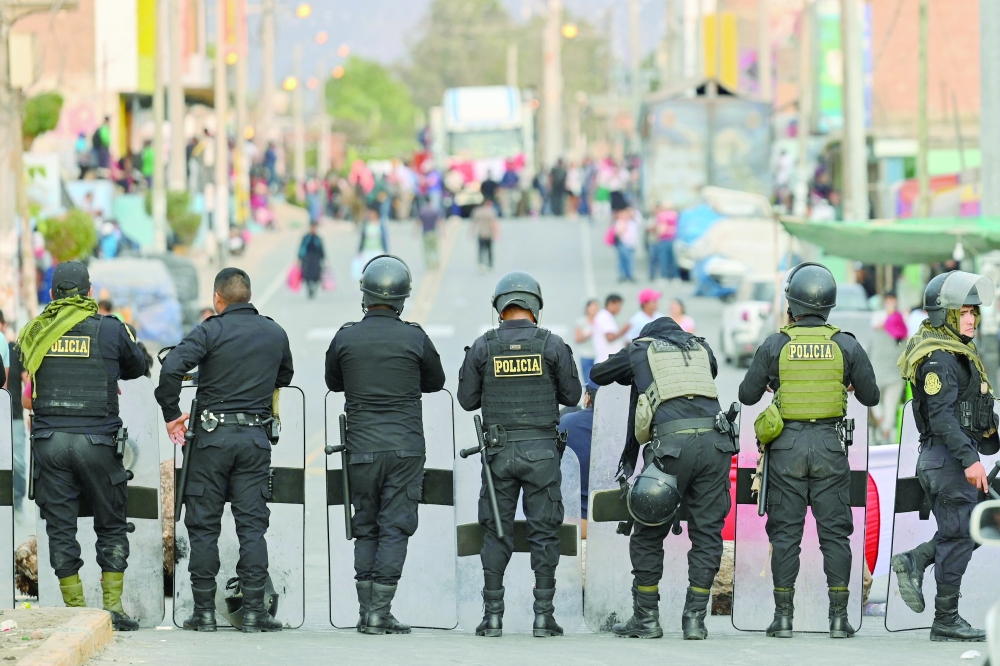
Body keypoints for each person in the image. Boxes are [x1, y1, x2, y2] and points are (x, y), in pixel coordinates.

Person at [738, 262, 879, 639]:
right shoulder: (845, 343)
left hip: (785, 448)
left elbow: (746, 394)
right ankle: (838, 619)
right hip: (831, 448)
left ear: (791, 303)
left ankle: (783, 619)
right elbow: (871, 396)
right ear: (829, 305)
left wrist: (775, 382)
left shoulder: (776, 344)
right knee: (835, 535)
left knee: (785, 535)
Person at [155, 268, 293, 634]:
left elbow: (170, 368)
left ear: (218, 299)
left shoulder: (209, 330)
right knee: (251, 528)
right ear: (248, 295)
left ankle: (203, 614)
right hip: (254, 440)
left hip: (211, 441)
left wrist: (172, 416)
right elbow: (285, 376)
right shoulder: (274, 332)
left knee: (202, 527)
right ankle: (253, 613)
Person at [17, 261, 147, 630]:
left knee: (60, 528)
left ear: (52, 294)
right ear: (89, 293)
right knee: (111, 523)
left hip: (49, 443)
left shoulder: (35, 331)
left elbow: (24, 367)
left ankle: (75, 610)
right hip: (98, 441)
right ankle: (112, 609)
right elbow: (136, 367)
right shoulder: (109, 329)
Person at [591, 315, 733, 640]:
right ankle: (695, 620)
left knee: (647, 530)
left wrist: (636, 365)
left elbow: (597, 373)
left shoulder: (640, 349)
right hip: (716, 445)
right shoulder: (701, 348)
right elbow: (708, 374)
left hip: (671, 447)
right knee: (708, 532)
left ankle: (647, 619)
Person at [457, 272, 582, 638]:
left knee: (496, 533)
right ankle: (544, 617)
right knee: (545, 534)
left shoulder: (483, 346)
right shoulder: (552, 344)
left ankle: (492, 617)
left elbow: (466, 400)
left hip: (498, 454)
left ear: (499, 307)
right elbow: (572, 396)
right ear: (535, 307)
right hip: (542, 454)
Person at [326, 255, 445, 634]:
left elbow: (333, 382)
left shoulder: (345, 336)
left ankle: (367, 612)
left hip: (360, 447)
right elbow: (436, 381)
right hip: (405, 449)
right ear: (402, 299)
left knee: (366, 526)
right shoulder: (414, 336)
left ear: (365, 295)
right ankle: (380, 612)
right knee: (395, 527)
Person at [891, 271, 998, 642]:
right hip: (948, 460)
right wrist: (970, 460)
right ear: (946, 316)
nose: (970, 319)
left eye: (973, 312)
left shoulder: (958, 353)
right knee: (958, 536)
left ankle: (916, 559)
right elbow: (941, 415)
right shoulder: (938, 358)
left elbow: (972, 409)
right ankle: (945, 619)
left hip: (953, 457)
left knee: (974, 528)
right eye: (963, 312)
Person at [868, 293, 908, 445]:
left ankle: (881, 421)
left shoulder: (876, 330)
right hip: (894, 375)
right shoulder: (901, 329)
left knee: (874, 400)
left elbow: (868, 351)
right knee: (890, 404)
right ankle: (886, 430)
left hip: (879, 373)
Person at [557, 384, 596, 539]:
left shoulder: (567, 422)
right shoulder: (626, 425)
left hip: (571, 522)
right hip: (611, 526)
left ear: (587, 397)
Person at [2, 311, 26, 517]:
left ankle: (17, 504)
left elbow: (27, 379)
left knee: (17, 460)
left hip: (14, 414)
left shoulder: (14, 350)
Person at [611, 192, 639, 283]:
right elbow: (618, 232)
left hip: (631, 243)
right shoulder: (620, 222)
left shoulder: (633, 222)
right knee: (623, 260)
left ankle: (628, 275)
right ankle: (623, 275)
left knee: (629, 260)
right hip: (623, 243)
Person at [592, 294, 628, 364]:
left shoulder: (603, 315)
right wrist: (623, 330)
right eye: (618, 305)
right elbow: (610, 337)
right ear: (610, 304)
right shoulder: (605, 315)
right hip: (607, 362)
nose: (619, 309)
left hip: (606, 361)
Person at [648, 203, 679, 282]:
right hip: (673, 238)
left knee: (663, 259)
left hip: (664, 239)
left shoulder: (661, 215)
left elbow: (661, 228)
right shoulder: (674, 215)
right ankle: (674, 276)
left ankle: (664, 276)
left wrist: (658, 235)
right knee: (672, 259)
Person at [574, 299, 600, 386]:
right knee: (589, 383)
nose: (595, 309)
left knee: (600, 383)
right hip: (586, 356)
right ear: (587, 308)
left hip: (599, 357)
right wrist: (587, 335)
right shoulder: (582, 321)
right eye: (592, 307)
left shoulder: (601, 321)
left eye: (596, 307)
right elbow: (577, 339)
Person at [298, 221, 326, 299]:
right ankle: (309, 289)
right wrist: (299, 258)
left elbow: (321, 249)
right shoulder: (306, 238)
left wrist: (323, 259)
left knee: (316, 275)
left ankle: (313, 288)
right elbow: (301, 248)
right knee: (306, 275)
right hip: (307, 259)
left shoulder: (318, 238)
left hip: (316, 259)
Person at [473, 196, 500, 272]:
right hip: (488, 234)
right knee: (489, 250)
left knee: (481, 250)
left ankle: (481, 264)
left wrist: (472, 232)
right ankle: (489, 265)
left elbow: (474, 223)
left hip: (481, 234)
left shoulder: (478, 211)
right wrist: (496, 234)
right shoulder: (491, 212)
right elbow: (494, 224)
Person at [416, 201, 442, 270]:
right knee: (435, 249)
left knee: (427, 251)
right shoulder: (434, 211)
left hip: (426, 233)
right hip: (433, 232)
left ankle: (429, 265)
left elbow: (418, 222)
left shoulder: (422, 212)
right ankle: (436, 263)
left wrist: (415, 232)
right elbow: (439, 221)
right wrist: (442, 232)